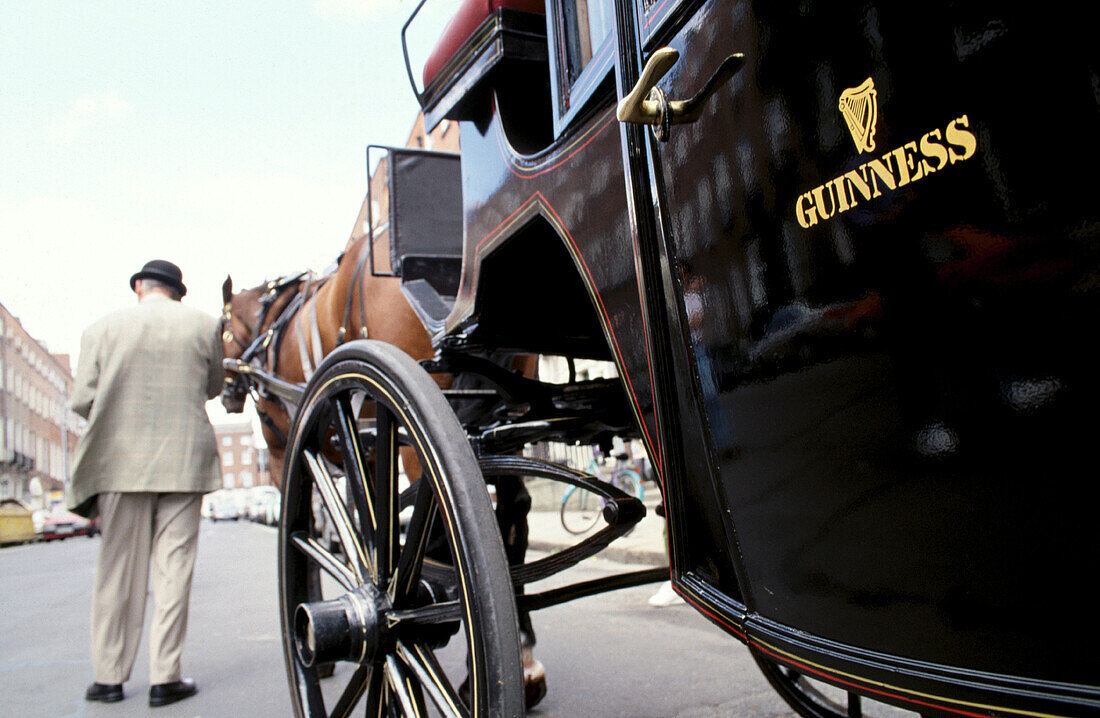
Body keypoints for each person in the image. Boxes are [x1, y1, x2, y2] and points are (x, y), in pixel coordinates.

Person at [68, 260, 223, 707]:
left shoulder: (101, 328)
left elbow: (83, 401)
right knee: (173, 571)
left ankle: (108, 678)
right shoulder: (204, 324)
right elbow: (212, 386)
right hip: (184, 459)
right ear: (178, 292)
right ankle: (164, 677)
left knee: (117, 572)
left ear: (139, 287)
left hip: (119, 462)